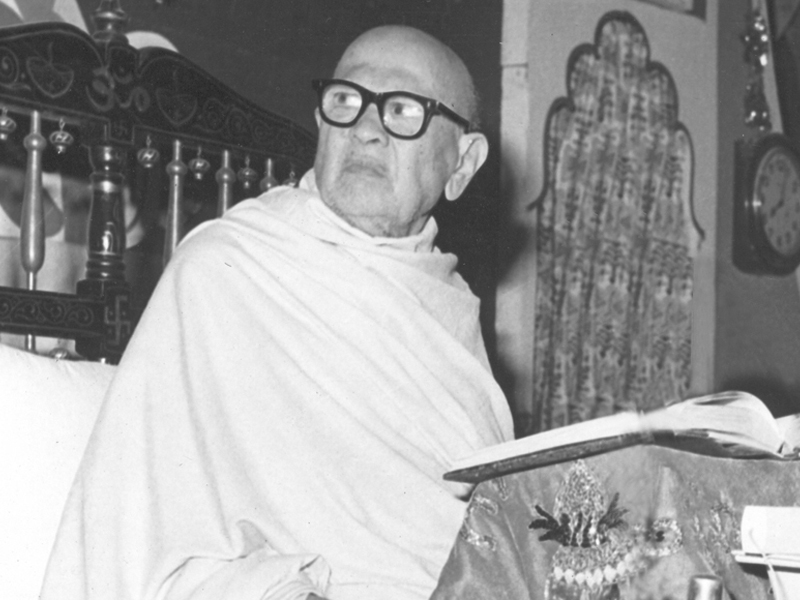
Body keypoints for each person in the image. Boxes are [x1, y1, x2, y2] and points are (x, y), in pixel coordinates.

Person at [40, 25, 513, 600]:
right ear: (321, 125)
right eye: (346, 100)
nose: (366, 129)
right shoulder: (225, 271)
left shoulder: (448, 305)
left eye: (403, 110)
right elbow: (138, 545)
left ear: (462, 163)